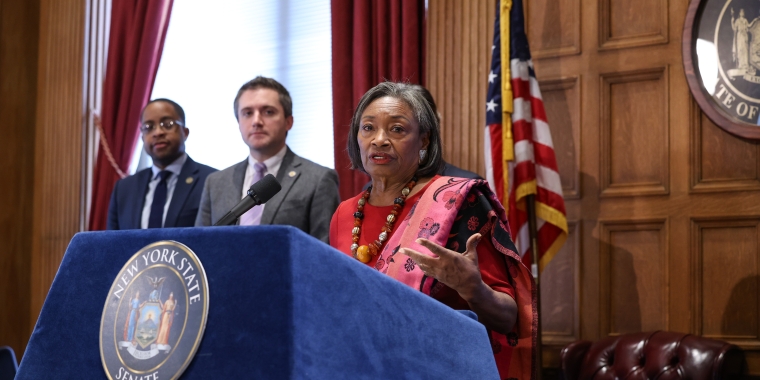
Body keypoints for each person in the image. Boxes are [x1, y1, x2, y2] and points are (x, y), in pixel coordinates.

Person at [329, 82, 536, 379]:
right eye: (368, 128)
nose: (380, 140)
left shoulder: (457, 202)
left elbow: (508, 317)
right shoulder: (344, 213)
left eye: (397, 129)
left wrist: (473, 289)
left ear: (424, 140)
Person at [196, 76, 340, 244]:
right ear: (238, 122)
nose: (256, 121)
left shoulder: (319, 179)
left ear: (288, 122)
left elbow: (325, 250)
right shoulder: (215, 183)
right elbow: (199, 245)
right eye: (248, 113)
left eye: (268, 112)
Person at [107, 99, 217, 230]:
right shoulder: (124, 188)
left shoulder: (212, 181)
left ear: (185, 132)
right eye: (149, 127)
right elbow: (113, 244)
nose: (158, 132)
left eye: (168, 124)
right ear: (142, 137)